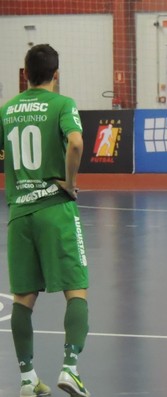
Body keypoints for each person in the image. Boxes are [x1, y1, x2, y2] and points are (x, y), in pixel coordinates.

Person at [0, 44, 90, 397]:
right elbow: (77, 143)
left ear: (25, 74)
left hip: (19, 215)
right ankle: (70, 368)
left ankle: (26, 379)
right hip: (55, 209)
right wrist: (70, 183)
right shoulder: (62, 104)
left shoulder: (7, 109)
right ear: (56, 73)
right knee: (76, 290)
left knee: (23, 298)